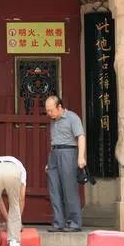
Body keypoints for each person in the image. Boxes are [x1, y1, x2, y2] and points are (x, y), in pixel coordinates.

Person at [44, 94, 86, 232]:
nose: (49, 113)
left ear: (60, 106)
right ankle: (58, 223)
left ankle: (74, 223)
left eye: (51, 110)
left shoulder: (72, 118)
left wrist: (81, 157)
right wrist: (50, 161)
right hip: (54, 154)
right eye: (47, 111)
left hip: (69, 153)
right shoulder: (53, 121)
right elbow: (55, 140)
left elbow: (81, 137)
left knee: (69, 189)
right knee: (54, 190)